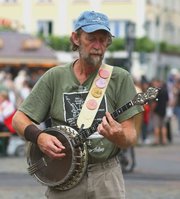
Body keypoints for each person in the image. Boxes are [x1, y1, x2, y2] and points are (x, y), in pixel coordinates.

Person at [12, 11, 143, 199]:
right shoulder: (55, 77)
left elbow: (130, 135)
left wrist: (119, 135)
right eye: (91, 39)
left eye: (102, 40)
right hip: (63, 175)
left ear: (108, 42)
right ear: (76, 38)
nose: (97, 46)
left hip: (105, 176)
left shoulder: (120, 78)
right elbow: (19, 120)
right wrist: (39, 137)